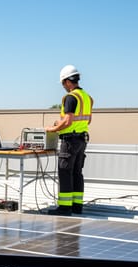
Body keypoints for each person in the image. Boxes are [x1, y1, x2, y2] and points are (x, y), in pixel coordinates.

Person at [45, 64, 93, 215]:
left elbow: (68, 121)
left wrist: (52, 129)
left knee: (65, 172)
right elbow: (88, 120)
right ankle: (77, 206)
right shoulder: (87, 98)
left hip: (70, 141)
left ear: (67, 81)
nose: (63, 86)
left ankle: (65, 207)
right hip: (82, 140)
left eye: (63, 83)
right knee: (77, 173)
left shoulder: (71, 97)